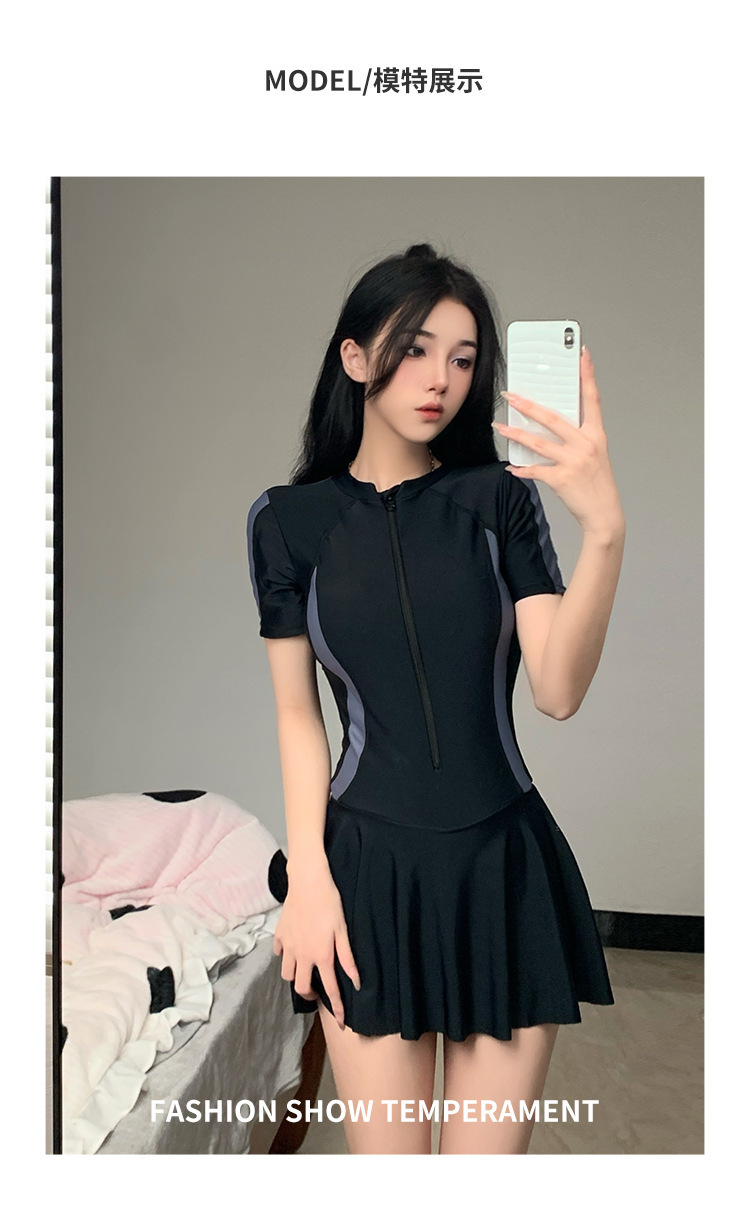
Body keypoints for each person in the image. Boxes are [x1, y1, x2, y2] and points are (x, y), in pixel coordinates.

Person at [246, 243, 625, 1154]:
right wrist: (309, 880)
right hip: (364, 879)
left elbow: (558, 691)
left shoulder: (500, 500)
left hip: (504, 870)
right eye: (414, 349)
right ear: (353, 357)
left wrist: (605, 529)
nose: (440, 379)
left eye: (463, 358)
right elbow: (298, 716)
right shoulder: (287, 522)